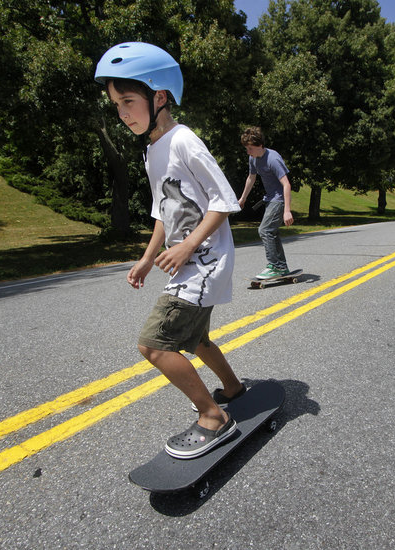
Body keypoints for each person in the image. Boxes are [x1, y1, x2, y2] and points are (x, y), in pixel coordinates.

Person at [94, 42, 245, 459]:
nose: (123, 113)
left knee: (155, 344)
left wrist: (187, 248)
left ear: (159, 97)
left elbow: (224, 201)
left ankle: (213, 417)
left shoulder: (183, 141)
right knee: (195, 338)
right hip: (190, 261)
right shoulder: (152, 150)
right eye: (116, 105)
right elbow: (164, 211)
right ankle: (232, 389)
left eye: (128, 101)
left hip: (206, 260)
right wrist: (147, 256)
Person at [237, 127, 294, 279]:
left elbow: (286, 184)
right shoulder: (253, 158)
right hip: (270, 199)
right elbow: (251, 178)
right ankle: (281, 267)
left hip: (279, 199)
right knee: (272, 233)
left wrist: (287, 210)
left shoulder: (273, 159)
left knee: (265, 230)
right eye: (247, 149)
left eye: (250, 148)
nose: (248, 152)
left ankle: (274, 266)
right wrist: (243, 198)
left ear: (259, 145)